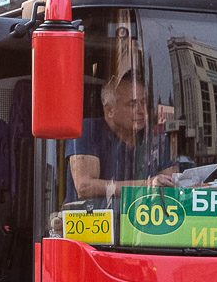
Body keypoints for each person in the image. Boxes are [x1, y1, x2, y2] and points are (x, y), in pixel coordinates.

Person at [64, 72, 176, 201]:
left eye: (143, 102)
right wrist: (147, 185)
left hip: (141, 218)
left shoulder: (156, 138)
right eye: (132, 104)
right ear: (109, 110)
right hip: (92, 218)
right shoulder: (88, 130)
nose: (141, 110)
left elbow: (171, 184)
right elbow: (85, 187)